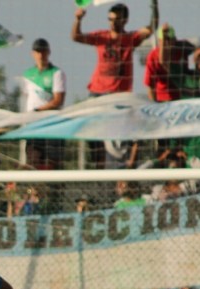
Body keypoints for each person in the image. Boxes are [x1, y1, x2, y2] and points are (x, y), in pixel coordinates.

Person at [71, 1, 157, 169]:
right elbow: (76, 37)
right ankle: (98, 167)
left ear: (125, 20)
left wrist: (155, 7)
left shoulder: (130, 38)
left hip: (119, 95)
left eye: (116, 19)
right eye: (110, 19)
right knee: (92, 133)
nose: (112, 23)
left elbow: (151, 28)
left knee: (123, 134)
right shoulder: (101, 36)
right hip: (97, 92)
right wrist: (78, 20)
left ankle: (125, 167)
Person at [22, 38, 66, 170]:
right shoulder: (28, 74)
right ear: (33, 54)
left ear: (48, 52)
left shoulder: (56, 73)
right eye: (38, 51)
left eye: (43, 51)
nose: (41, 55)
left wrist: (39, 110)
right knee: (32, 160)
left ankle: (54, 184)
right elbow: (26, 98)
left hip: (51, 125)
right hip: (32, 126)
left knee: (52, 163)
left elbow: (58, 101)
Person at [144, 24, 194, 103]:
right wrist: (154, 104)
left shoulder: (181, 50)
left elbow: (194, 48)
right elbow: (150, 86)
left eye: (170, 39)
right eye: (164, 40)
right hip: (162, 99)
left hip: (183, 97)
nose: (167, 42)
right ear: (159, 41)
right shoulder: (152, 56)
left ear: (175, 39)